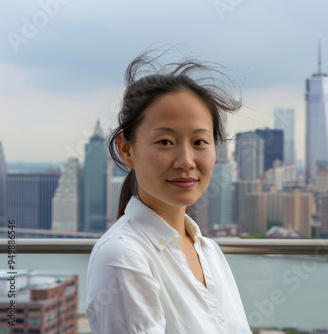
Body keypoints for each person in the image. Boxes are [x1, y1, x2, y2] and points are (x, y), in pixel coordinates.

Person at [85, 49, 252, 333]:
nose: (185, 161)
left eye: (199, 142)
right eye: (164, 142)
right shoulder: (123, 256)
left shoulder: (209, 251)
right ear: (126, 150)